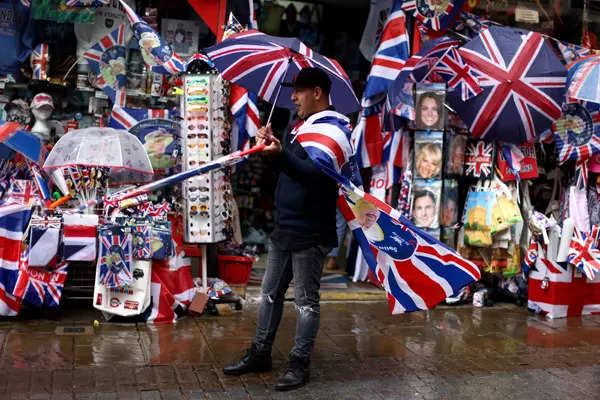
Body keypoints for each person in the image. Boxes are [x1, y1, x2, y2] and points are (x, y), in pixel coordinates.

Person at [223, 67, 341, 391]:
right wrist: (272, 148)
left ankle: (299, 363)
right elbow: (290, 168)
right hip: (285, 227)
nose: (292, 97)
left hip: (311, 231)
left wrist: (281, 154)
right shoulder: (300, 127)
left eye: (299, 91)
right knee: (270, 294)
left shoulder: (334, 131)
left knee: (305, 302)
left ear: (317, 92)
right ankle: (261, 352)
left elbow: (314, 175)